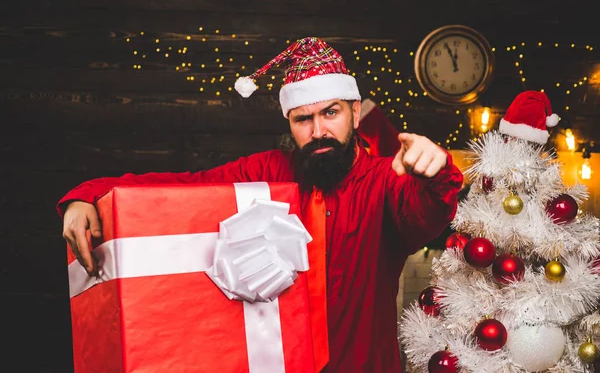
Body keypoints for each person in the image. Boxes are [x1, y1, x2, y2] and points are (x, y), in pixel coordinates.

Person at [58, 37, 463, 373]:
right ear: (288, 121)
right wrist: (88, 194)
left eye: (331, 113)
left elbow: (425, 216)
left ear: (355, 113)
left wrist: (437, 171)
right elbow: (182, 187)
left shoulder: (385, 180)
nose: (318, 130)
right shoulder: (266, 172)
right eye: (303, 119)